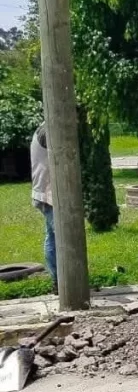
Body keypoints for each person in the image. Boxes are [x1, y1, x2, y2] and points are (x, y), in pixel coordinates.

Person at [30, 123, 57, 292]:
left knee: (52, 237)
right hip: (48, 193)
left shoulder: (44, 128)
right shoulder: (49, 129)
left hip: (44, 192)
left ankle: (58, 281)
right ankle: (63, 282)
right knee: (62, 238)